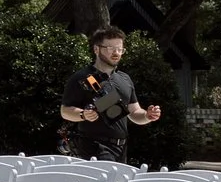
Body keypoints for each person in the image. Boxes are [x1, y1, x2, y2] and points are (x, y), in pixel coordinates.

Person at [59, 25, 160, 161]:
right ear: (96, 49)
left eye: (120, 49)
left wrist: (147, 116)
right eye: (111, 48)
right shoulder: (81, 77)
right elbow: (65, 111)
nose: (116, 53)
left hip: (121, 149)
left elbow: (134, 112)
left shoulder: (125, 79)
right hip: (93, 147)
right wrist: (83, 115)